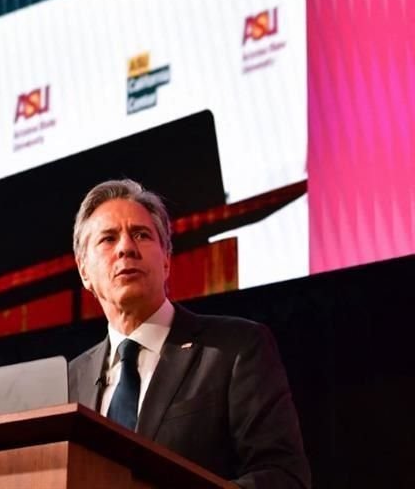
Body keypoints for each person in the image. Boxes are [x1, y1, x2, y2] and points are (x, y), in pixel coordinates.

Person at [68, 179, 310, 487]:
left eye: (141, 235)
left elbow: (283, 477)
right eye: (108, 239)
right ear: (84, 271)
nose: (126, 248)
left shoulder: (235, 349)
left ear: (167, 259)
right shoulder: (70, 381)